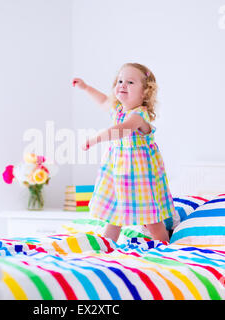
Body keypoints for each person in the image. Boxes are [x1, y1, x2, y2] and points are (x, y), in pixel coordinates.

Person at [72, 62, 176, 243]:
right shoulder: (119, 110)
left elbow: (123, 129)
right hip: (119, 174)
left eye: (130, 82)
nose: (122, 85)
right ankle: (107, 247)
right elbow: (104, 100)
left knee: (151, 218)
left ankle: (165, 247)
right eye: (120, 81)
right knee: (114, 214)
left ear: (145, 92)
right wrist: (86, 87)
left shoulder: (139, 114)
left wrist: (96, 138)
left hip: (140, 176)